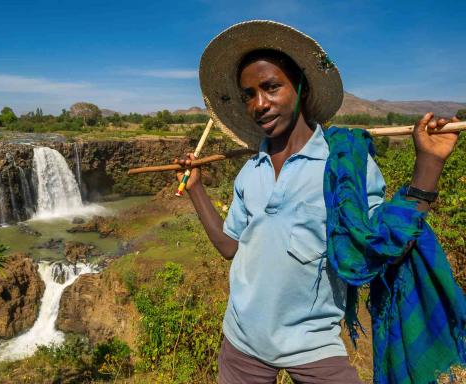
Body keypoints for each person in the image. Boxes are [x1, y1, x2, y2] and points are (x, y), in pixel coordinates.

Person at [174, 21, 463, 384]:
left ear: (301, 87)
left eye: (271, 87)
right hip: (241, 342)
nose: (259, 104)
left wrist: (429, 164)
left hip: (313, 346)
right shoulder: (251, 171)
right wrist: (197, 189)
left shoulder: (344, 167)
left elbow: (385, 243)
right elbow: (230, 247)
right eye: (249, 94)